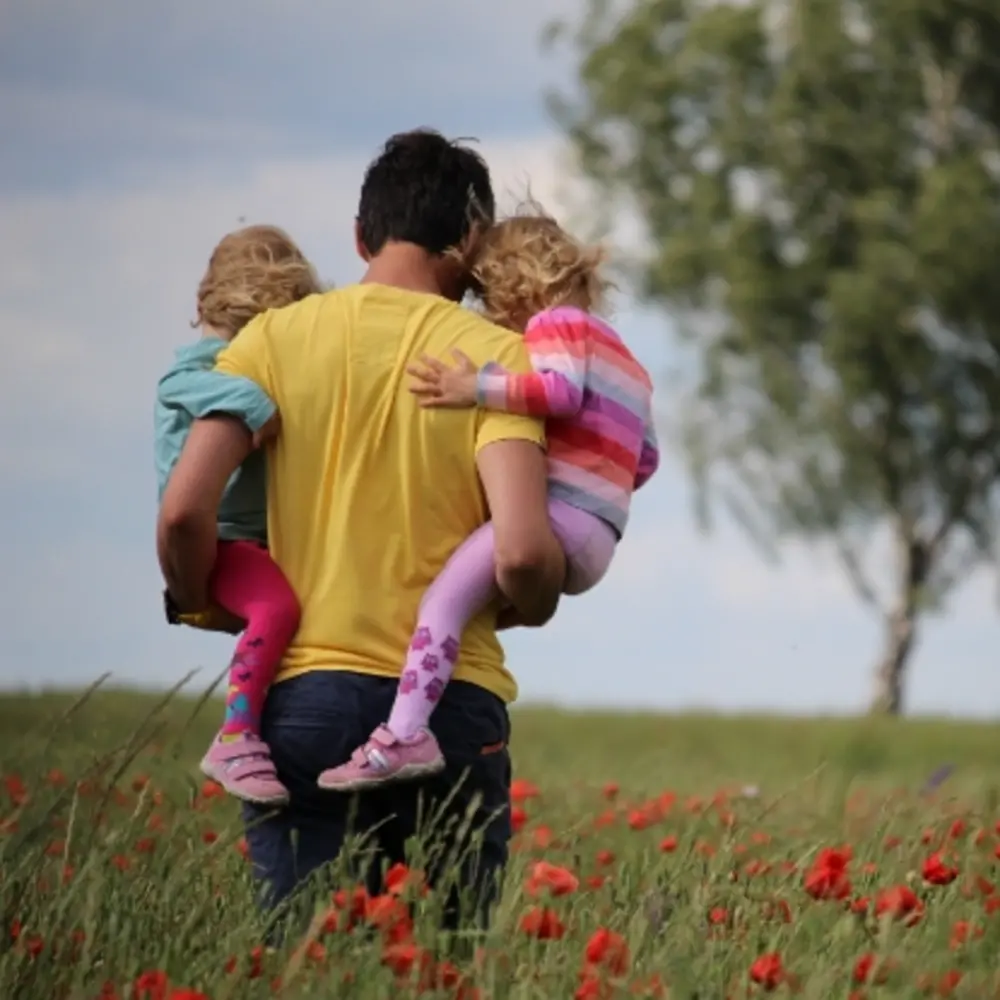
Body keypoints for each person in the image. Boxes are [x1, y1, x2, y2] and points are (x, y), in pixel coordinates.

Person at [156, 129, 566, 930]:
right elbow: (520, 552)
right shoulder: (497, 361)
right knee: (445, 969)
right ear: (473, 240)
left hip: (303, 703)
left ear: (359, 236)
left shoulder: (269, 341)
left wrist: (196, 595)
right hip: (450, 709)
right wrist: (539, 595)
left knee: (308, 965)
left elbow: (182, 510)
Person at [320, 210, 660, 792]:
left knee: (441, 604)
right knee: (472, 603)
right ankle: (424, 702)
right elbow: (646, 459)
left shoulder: (556, 324)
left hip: (560, 519)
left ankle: (403, 734)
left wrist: (471, 387)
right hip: (601, 535)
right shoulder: (628, 361)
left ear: (513, 283)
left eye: (486, 294)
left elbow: (557, 391)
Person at [155, 225, 321, 806]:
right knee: (277, 607)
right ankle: (237, 734)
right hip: (223, 540)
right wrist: (256, 405)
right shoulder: (204, 367)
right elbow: (181, 385)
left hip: (253, 539)